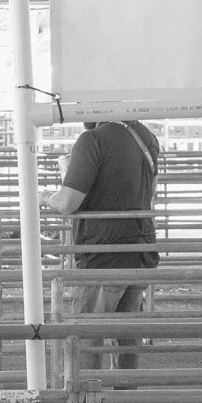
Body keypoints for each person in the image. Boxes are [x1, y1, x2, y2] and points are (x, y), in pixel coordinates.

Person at [45, 119, 160, 373]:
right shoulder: (144, 135)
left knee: (88, 334)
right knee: (127, 333)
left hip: (103, 253)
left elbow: (67, 202)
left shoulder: (92, 141)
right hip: (139, 250)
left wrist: (45, 197)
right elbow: (150, 190)